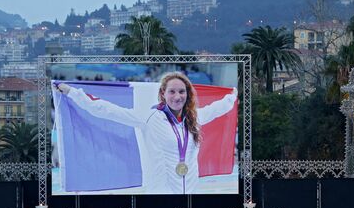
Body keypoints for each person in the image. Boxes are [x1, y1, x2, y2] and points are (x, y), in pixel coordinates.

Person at [54, 72, 237, 194]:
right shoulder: (149, 117)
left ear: (187, 94)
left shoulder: (194, 118)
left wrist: (233, 95)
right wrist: (72, 92)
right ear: (163, 94)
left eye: (182, 92)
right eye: (172, 91)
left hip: (190, 192)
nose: (177, 96)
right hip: (160, 195)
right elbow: (107, 110)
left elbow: (217, 108)